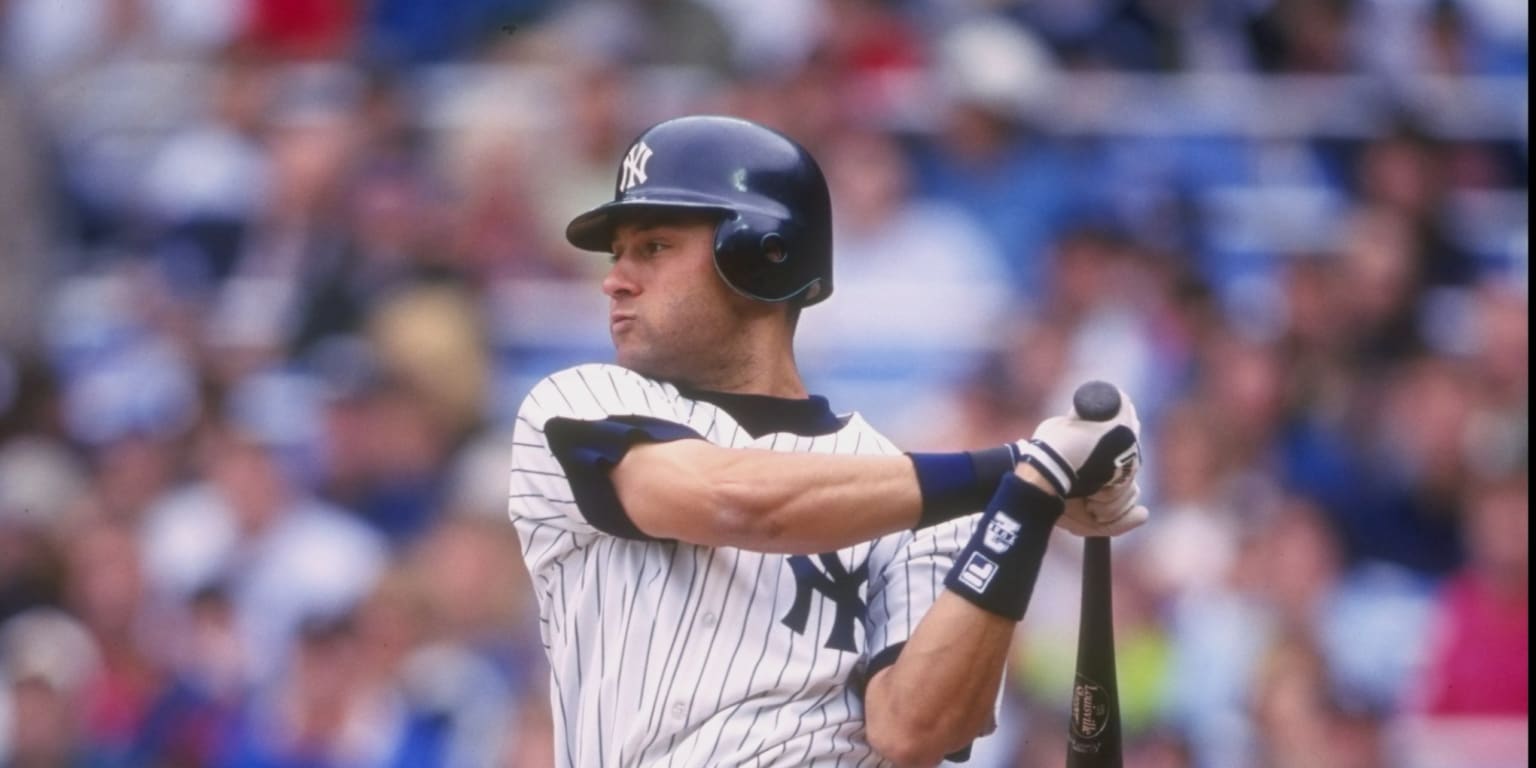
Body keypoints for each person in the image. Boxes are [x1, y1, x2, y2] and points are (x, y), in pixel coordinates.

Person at [506, 115, 1148, 767]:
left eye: (653, 248)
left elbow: (918, 731)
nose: (615, 278)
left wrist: (1030, 498)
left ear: (764, 252)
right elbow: (733, 501)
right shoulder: (576, 404)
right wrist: (1025, 469)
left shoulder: (903, 485)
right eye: (617, 254)